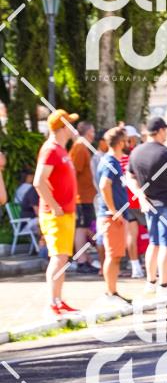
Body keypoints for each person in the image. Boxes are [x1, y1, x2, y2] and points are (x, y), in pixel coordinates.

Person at [127, 116, 167, 299]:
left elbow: (129, 177)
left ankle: (151, 283)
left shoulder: (136, 153)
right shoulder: (166, 153)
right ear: (159, 131)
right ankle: (164, 284)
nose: (166, 133)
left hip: (149, 203)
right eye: (165, 130)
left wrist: (140, 195)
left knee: (154, 243)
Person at [33, 109, 79, 317]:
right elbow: (39, 181)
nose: (73, 127)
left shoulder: (60, 150)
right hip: (56, 214)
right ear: (63, 127)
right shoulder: (51, 149)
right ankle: (52, 302)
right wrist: (54, 206)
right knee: (58, 258)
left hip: (65, 212)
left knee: (62, 258)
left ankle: (58, 300)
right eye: (69, 123)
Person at [96, 126, 131, 309]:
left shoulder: (110, 160)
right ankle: (110, 293)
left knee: (115, 255)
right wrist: (114, 210)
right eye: (126, 140)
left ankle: (113, 291)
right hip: (111, 216)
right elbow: (104, 185)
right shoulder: (110, 161)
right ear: (120, 143)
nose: (128, 143)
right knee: (113, 255)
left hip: (112, 215)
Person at [69, 120, 97, 274]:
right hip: (80, 197)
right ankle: (81, 261)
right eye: (92, 131)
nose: (94, 135)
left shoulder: (82, 147)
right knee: (81, 229)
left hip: (85, 196)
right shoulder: (80, 148)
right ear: (88, 132)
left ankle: (84, 258)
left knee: (84, 227)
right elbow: (73, 173)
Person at [119, 125, 145, 279]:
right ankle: (151, 266)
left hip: (126, 202)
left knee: (132, 235)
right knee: (152, 233)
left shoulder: (118, 157)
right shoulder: (135, 156)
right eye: (134, 138)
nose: (135, 141)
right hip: (139, 200)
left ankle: (136, 267)